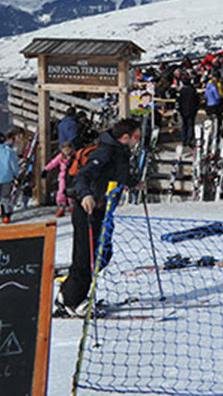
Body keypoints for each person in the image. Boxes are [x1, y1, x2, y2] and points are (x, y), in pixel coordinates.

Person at [57, 118, 140, 316]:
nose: (138, 140)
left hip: (102, 208)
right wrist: (85, 194)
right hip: (87, 208)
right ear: (125, 137)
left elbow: (118, 174)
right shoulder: (104, 152)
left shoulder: (120, 152)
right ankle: (73, 301)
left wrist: (134, 183)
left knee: (102, 253)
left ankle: (66, 294)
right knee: (86, 256)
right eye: (136, 136)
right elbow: (83, 176)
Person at [43, 139, 75, 218]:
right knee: (61, 191)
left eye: (68, 149)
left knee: (72, 190)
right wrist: (46, 170)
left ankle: (73, 205)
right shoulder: (61, 156)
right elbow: (53, 163)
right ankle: (61, 206)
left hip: (72, 175)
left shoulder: (75, 155)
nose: (66, 151)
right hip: (63, 176)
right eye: (64, 150)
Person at [177, 77, 200, 147]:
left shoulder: (181, 91)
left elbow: (178, 101)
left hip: (183, 110)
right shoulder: (193, 91)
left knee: (184, 125)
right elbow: (197, 100)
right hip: (191, 110)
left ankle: (183, 139)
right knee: (190, 125)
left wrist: (178, 109)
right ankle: (190, 139)